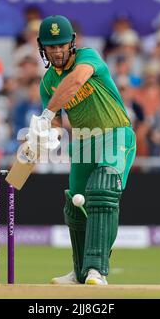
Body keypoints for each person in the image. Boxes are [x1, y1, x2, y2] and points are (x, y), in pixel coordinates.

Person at [27, 15, 136, 285]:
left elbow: (75, 82)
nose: (57, 51)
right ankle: (79, 271)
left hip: (115, 133)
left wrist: (47, 112)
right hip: (83, 142)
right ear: (42, 48)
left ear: (72, 43)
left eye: (62, 45)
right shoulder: (47, 82)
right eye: (51, 46)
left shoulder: (89, 57)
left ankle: (98, 270)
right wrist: (46, 136)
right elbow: (54, 125)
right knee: (75, 204)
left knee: (103, 188)